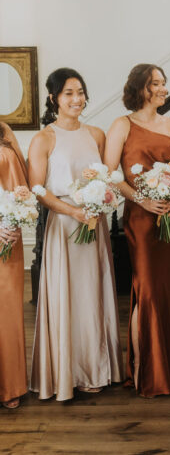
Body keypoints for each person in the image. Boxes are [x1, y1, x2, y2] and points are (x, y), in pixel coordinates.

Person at [29, 68, 123, 401]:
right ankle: (68, 373)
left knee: (92, 294)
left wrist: (101, 202)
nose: (76, 99)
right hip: (65, 226)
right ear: (54, 98)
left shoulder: (96, 134)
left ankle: (96, 369)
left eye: (80, 92)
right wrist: (72, 211)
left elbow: (107, 178)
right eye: (68, 93)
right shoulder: (44, 138)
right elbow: (38, 189)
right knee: (67, 296)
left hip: (93, 225)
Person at [104, 63, 170, 397]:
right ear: (141, 88)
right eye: (156, 83)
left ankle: (165, 367)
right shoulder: (122, 125)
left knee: (166, 295)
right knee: (147, 291)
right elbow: (111, 174)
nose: (163, 88)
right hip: (140, 217)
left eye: (164, 82)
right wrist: (141, 199)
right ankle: (141, 368)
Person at [0, 122, 28, 409]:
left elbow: (19, 196)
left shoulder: (4, 153)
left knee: (5, 313)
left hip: (3, 240)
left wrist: (7, 227)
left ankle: (9, 386)